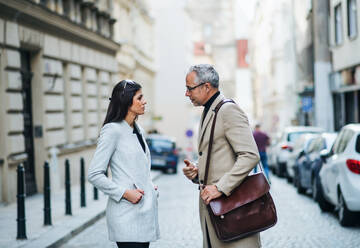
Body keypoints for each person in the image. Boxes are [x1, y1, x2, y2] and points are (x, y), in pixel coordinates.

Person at [182, 64, 261, 248]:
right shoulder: (209, 110)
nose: (187, 93)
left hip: (234, 212)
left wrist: (220, 187)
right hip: (217, 213)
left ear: (206, 87)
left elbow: (250, 155)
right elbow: (219, 155)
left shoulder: (228, 110)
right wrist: (198, 170)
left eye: (189, 88)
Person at [88, 80, 160, 248]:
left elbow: (135, 167)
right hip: (126, 216)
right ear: (127, 101)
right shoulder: (112, 130)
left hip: (143, 214)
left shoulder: (138, 129)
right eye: (139, 97)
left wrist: (149, 185)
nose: (144, 101)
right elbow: (94, 174)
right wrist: (125, 193)